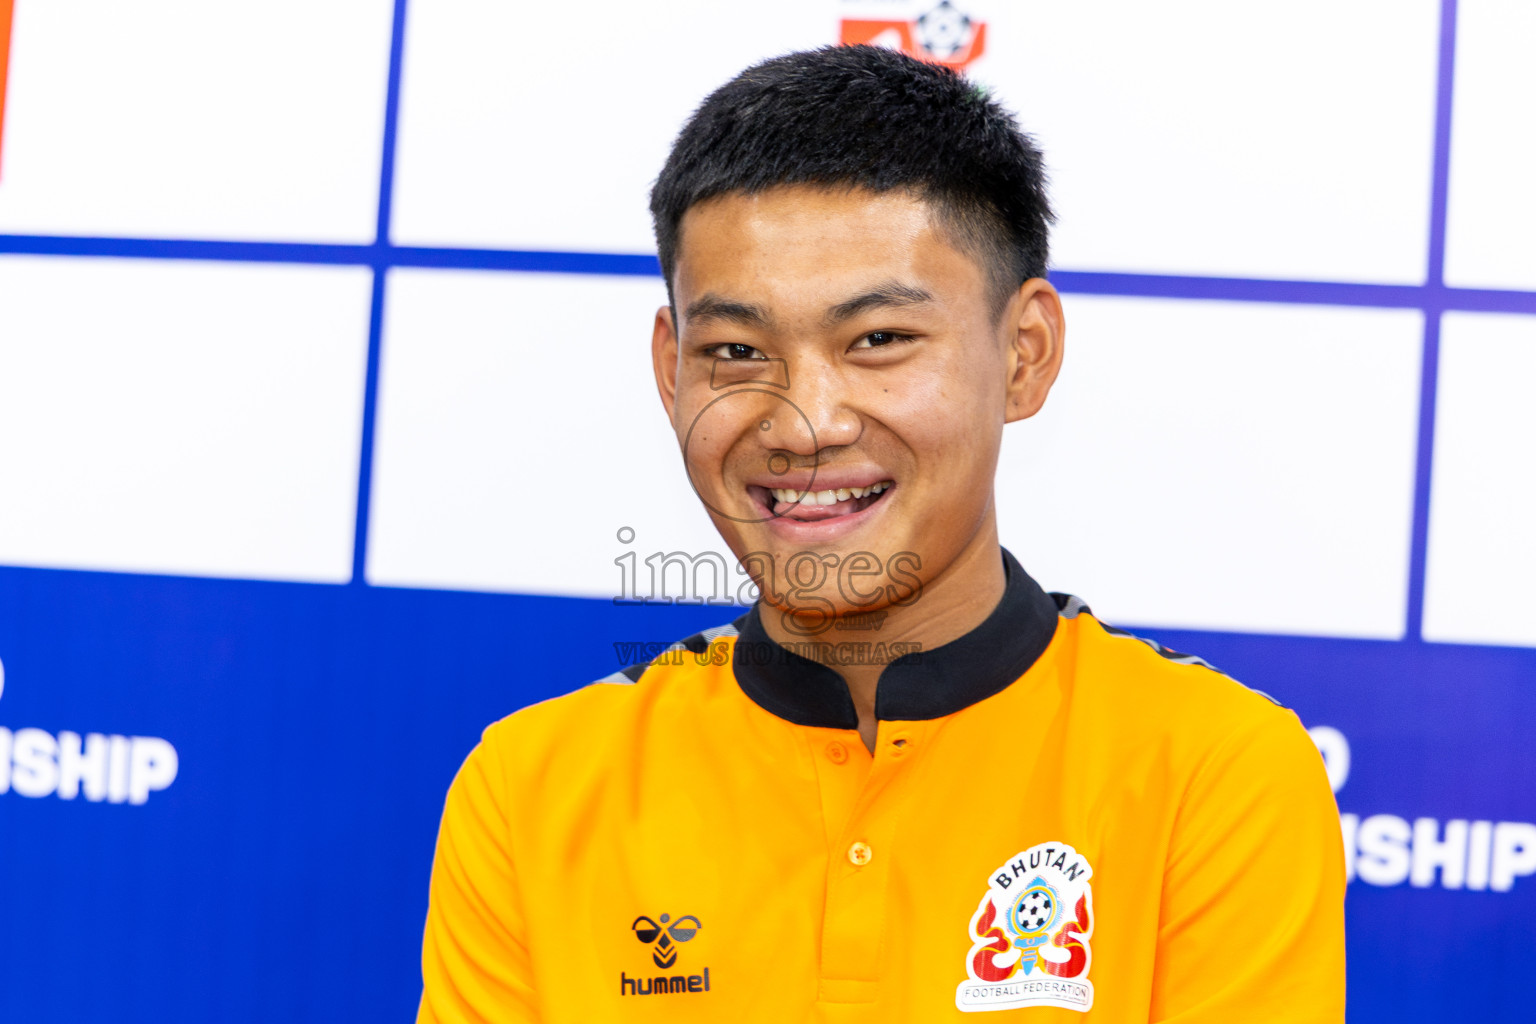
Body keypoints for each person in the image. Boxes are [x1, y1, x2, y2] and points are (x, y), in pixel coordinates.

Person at [416, 44, 1345, 1022]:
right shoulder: (533, 788)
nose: (805, 423)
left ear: (1025, 354)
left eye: (878, 341)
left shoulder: (1214, 773)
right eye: (736, 350)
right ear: (670, 369)